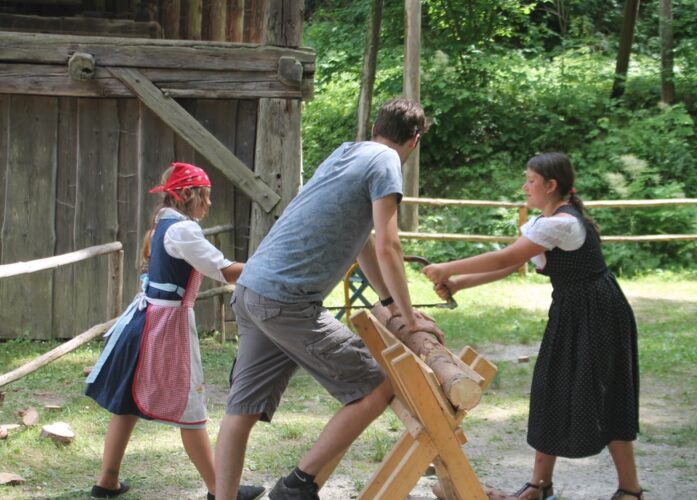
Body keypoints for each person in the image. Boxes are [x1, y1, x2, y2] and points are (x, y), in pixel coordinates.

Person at [213, 97, 444, 500]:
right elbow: (390, 246)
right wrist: (408, 317)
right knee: (377, 385)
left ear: (376, 127)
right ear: (416, 140)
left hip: (252, 290)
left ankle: (222, 497)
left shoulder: (347, 153)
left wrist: (390, 303)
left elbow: (365, 243)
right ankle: (297, 484)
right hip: (286, 300)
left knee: (242, 409)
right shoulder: (388, 162)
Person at [422, 152, 643, 500]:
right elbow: (513, 265)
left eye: (530, 180)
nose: (524, 186)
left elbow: (507, 257)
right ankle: (539, 487)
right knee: (549, 389)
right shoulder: (548, 221)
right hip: (573, 311)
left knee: (607, 392)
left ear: (551, 185)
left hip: (598, 314)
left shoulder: (562, 224)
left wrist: (447, 268)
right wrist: (460, 283)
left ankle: (630, 491)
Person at [85, 163, 265, 500]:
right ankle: (220, 489)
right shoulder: (183, 230)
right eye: (206, 197)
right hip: (167, 325)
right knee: (191, 407)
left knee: (127, 403)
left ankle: (106, 481)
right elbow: (224, 271)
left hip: (146, 319)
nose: (208, 205)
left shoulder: (164, 222)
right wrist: (270, 267)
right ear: (188, 195)